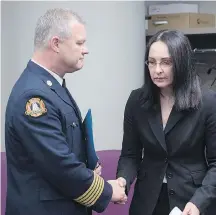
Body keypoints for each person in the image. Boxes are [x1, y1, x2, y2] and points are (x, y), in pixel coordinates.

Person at [5, 8, 126, 215]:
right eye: (79, 43)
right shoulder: (34, 97)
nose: (85, 50)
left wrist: (89, 170)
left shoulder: (51, 85)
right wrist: (107, 190)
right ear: (56, 44)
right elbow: (59, 165)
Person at [116, 29, 216, 215]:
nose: (157, 70)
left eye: (166, 62)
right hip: (148, 200)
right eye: (152, 62)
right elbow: (130, 155)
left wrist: (199, 202)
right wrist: (123, 179)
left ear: (181, 63)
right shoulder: (137, 100)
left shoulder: (208, 102)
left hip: (192, 199)